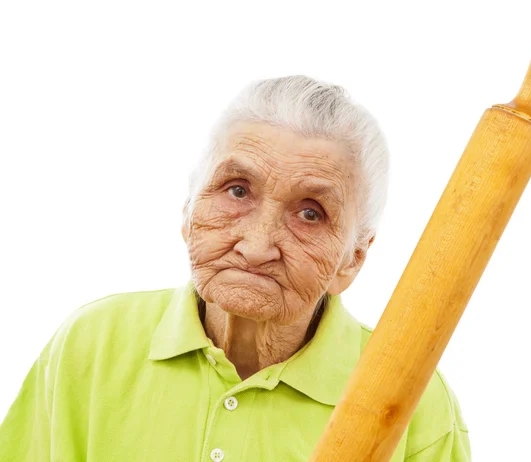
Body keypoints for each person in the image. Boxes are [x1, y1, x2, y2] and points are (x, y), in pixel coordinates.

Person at [0, 75, 471, 461]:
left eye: (310, 213)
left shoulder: (413, 401)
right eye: (237, 190)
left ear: (353, 260)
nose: (257, 245)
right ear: (188, 210)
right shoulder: (95, 342)